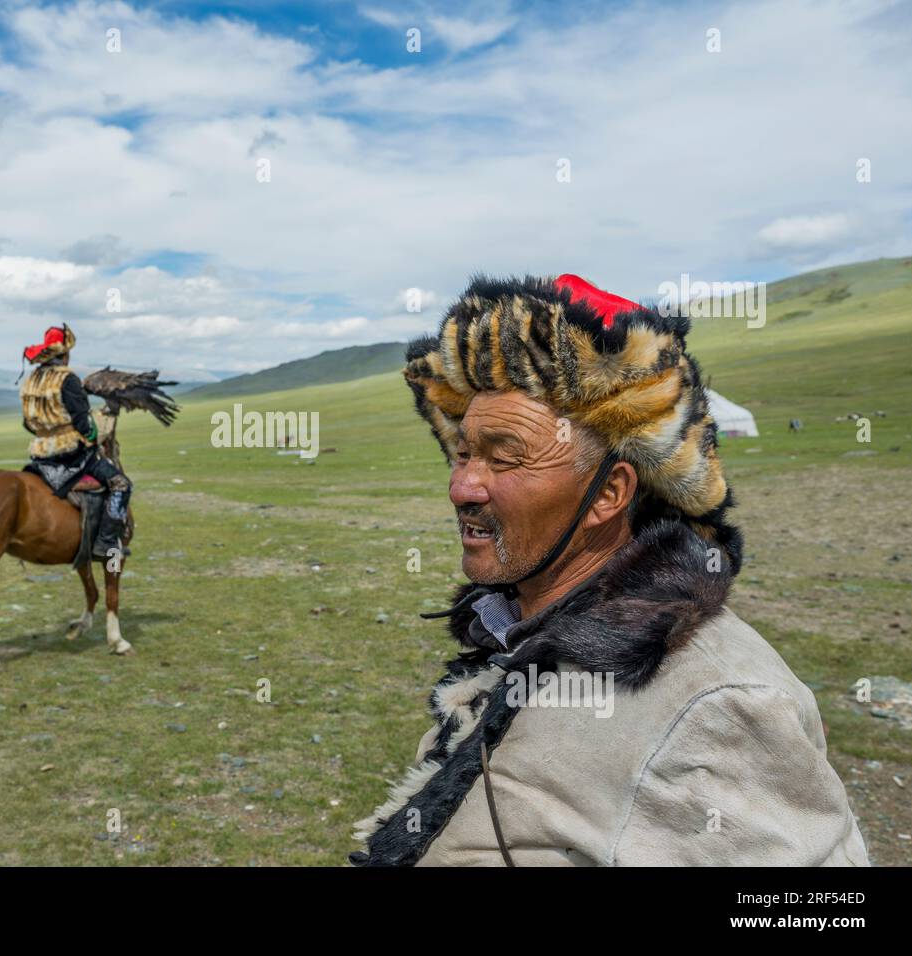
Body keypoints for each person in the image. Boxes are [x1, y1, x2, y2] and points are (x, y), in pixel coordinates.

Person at [351, 273, 868, 867]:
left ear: (609, 494)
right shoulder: (518, 628)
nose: (461, 485)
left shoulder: (715, 701)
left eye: (505, 457)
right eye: (464, 451)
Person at [19, 325, 131, 560]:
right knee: (121, 484)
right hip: (71, 455)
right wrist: (94, 437)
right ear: (64, 354)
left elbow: (27, 423)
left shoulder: (31, 380)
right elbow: (84, 425)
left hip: (40, 455)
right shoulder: (67, 379)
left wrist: (46, 433)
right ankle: (106, 542)